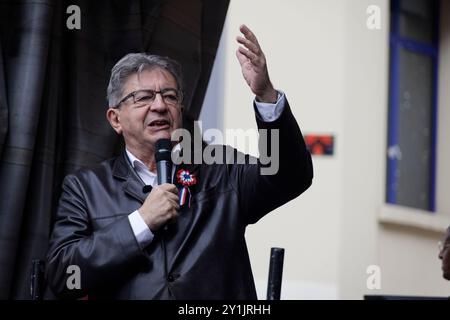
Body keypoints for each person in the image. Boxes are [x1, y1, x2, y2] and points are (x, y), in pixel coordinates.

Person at [46, 24, 313, 299]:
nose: (160, 105)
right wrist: (141, 222)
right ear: (115, 119)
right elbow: (64, 274)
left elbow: (291, 176)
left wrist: (266, 95)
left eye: (170, 96)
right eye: (144, 97)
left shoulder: (219, 167)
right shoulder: (85, 188)